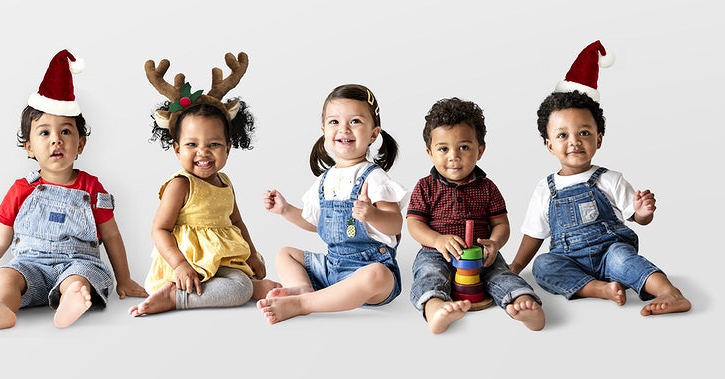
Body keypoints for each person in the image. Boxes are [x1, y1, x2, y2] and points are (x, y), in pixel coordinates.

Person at [0, 50, 148, 329]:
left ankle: (71, 298)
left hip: (77, 262)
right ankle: (1, 308)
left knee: (78, 278)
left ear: (81, 144)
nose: (56, 141)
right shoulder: (21, 189)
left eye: (65, 132)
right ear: (29, 146)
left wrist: (124, 279)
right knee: (6, 275)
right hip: (30, 265)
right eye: (44, 133)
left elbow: (111, 234)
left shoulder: (92, 187)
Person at [509, 40, 691, 316]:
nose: (574, 142)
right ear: (549, 145)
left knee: (625, 259)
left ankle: (669, 292)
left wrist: (643, 213)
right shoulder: (545, 189)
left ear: (599, 139)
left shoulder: (610, 179)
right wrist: (515, 267)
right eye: (562, 135)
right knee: (544, 265)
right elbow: (534, 234)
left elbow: (637, 218)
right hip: (568, 258)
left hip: (610, 252)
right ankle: (598, 288)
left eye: (584, 133)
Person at [129, 52, 280, 317]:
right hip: (187, 263)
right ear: (177, 149)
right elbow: (160, 229)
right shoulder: (180, 185)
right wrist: (179, 266)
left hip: (216, 259)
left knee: (242, 277)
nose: (203, 152)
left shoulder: (225, 182)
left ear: (228, 149)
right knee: (239, 290)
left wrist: (252, 255)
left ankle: (250, 286)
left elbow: (237, 223)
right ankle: (175, 297)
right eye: (191, 144)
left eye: (214, 144)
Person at [258, 83, 408, 324]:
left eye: (356, 121)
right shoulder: (324, 180)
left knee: (377, 275)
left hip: (368, 268)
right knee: (285, 254)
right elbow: (314, 223)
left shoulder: (374, 177)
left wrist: (371, 214)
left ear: (373, 133)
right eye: (335, 122)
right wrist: (285, 210)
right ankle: (303, 289)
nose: (344, 129)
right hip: (333, 266)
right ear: (323, 130)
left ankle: (304, 304)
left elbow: (395, 224)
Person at [407, 97, 545, 334]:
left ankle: (522, 302)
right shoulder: (425, 187)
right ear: (430, 153)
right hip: (436, 254)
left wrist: (495, 243)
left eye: (463, 147)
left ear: (480, 150)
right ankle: (435, 307)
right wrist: (437, 240)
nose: (454, 156)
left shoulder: (487, 187)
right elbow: (414, 223)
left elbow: (501, 224)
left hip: (481, 256)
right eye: (443, 149)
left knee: (500, 274)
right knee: (429, 274)